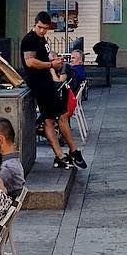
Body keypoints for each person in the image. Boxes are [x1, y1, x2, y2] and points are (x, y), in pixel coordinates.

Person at [21, 11, 85, 170]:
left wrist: (53, 61)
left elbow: (43, 58)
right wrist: (51, 65)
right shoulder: (29, 40)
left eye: (45, 28)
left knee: (54, 118)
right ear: (34, 24)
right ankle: (71, 152)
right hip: (39, 84)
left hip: (46, 82)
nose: (42, 31)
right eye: (40, 27)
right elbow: (30, 62)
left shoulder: (41, 39)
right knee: (58, 117)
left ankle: (63, 155)